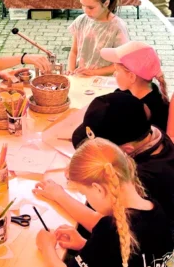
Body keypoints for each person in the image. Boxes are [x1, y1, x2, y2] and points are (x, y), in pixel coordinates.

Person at [36, 138, 172, 267]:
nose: (87, 199)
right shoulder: (154, 208)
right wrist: (86, 246)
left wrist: (46, 246)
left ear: (98, 189)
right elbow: (132, 260)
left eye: (84, 193)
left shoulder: (108, 231)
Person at [35, 91, 174, 232]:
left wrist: (60, 196)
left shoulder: (146, 178)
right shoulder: (151, 134)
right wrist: (85, 165)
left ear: (126, 150)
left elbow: (109, 229)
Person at [68, 0, 130, 76]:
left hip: (105, 82)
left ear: (106, 3)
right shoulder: (80, 20)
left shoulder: (117, 27)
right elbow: (74, 52)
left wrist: (92, 72)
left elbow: (122, 62)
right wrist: (70, 70)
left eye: (91, 7)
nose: (85, 11)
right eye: (83, 5)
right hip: (81, 78)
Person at [103, 41, 169, 132]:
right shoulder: (153, 91)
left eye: (117, 70)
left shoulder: (141, 112)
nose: (114, 74)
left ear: (131, 77)